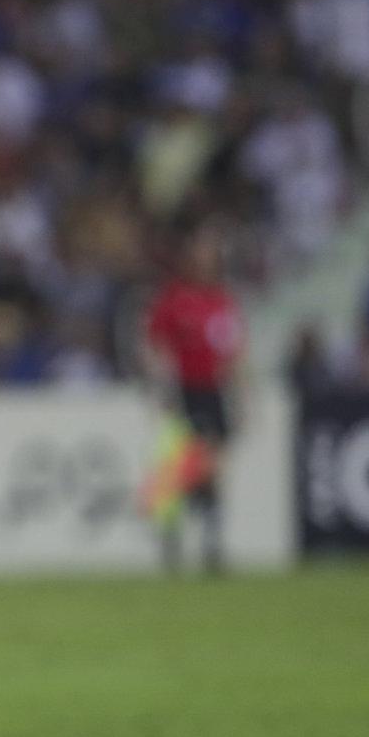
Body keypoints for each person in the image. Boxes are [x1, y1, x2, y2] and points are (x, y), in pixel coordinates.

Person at [143, 225, 241, 574]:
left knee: (211, 467)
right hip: (183, 389)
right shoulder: (174, 299)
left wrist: (241, 395)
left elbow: (233, 353)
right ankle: (174, 536)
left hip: (213, 390)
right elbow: (154, 344)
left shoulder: (222, 301)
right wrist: (161, 383)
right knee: (182, 465)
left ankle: (211, 543)